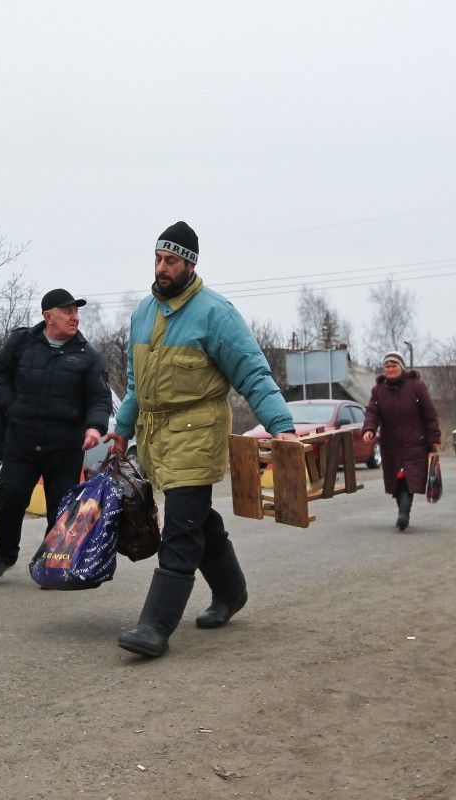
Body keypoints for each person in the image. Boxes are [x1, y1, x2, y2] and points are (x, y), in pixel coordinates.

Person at [105, 221, 297, 658]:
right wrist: (122, 429)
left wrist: (279, 425)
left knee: (181, 529)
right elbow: (136, 386)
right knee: (197, 519)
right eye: (157, 258)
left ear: (190, 263)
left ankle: (155, 627)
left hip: (196, 433)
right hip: (156, 437)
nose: (161, 267)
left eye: (170, 260)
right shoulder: (143, 313)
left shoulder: (216, 313)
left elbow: (252, 372)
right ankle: (231, 591)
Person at [0, 288, 112, 580]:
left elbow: (99, 398)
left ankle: (54, 562)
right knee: (11, 497)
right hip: (22, 439)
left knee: (61, 507)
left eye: (76, 311)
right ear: (47, 316)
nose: (74, 317)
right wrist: (11, 407)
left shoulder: (87, 355)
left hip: (64, 444)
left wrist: (94, 427)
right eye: (67, 311)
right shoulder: (22, 342)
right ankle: (3, 555)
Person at [360, 351, 442, 530]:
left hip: (415, 442)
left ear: (401, 367)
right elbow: (372, 412)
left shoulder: (416, 386)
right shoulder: (379, 390)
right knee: (396, 480)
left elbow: (430, 414)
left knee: (407, 478)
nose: (390, 369)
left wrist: (434, 438)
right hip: (390, 445)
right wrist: (369, 429)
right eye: (387, 367)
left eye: (394, 366)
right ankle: (403, 511)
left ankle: (403, 513)